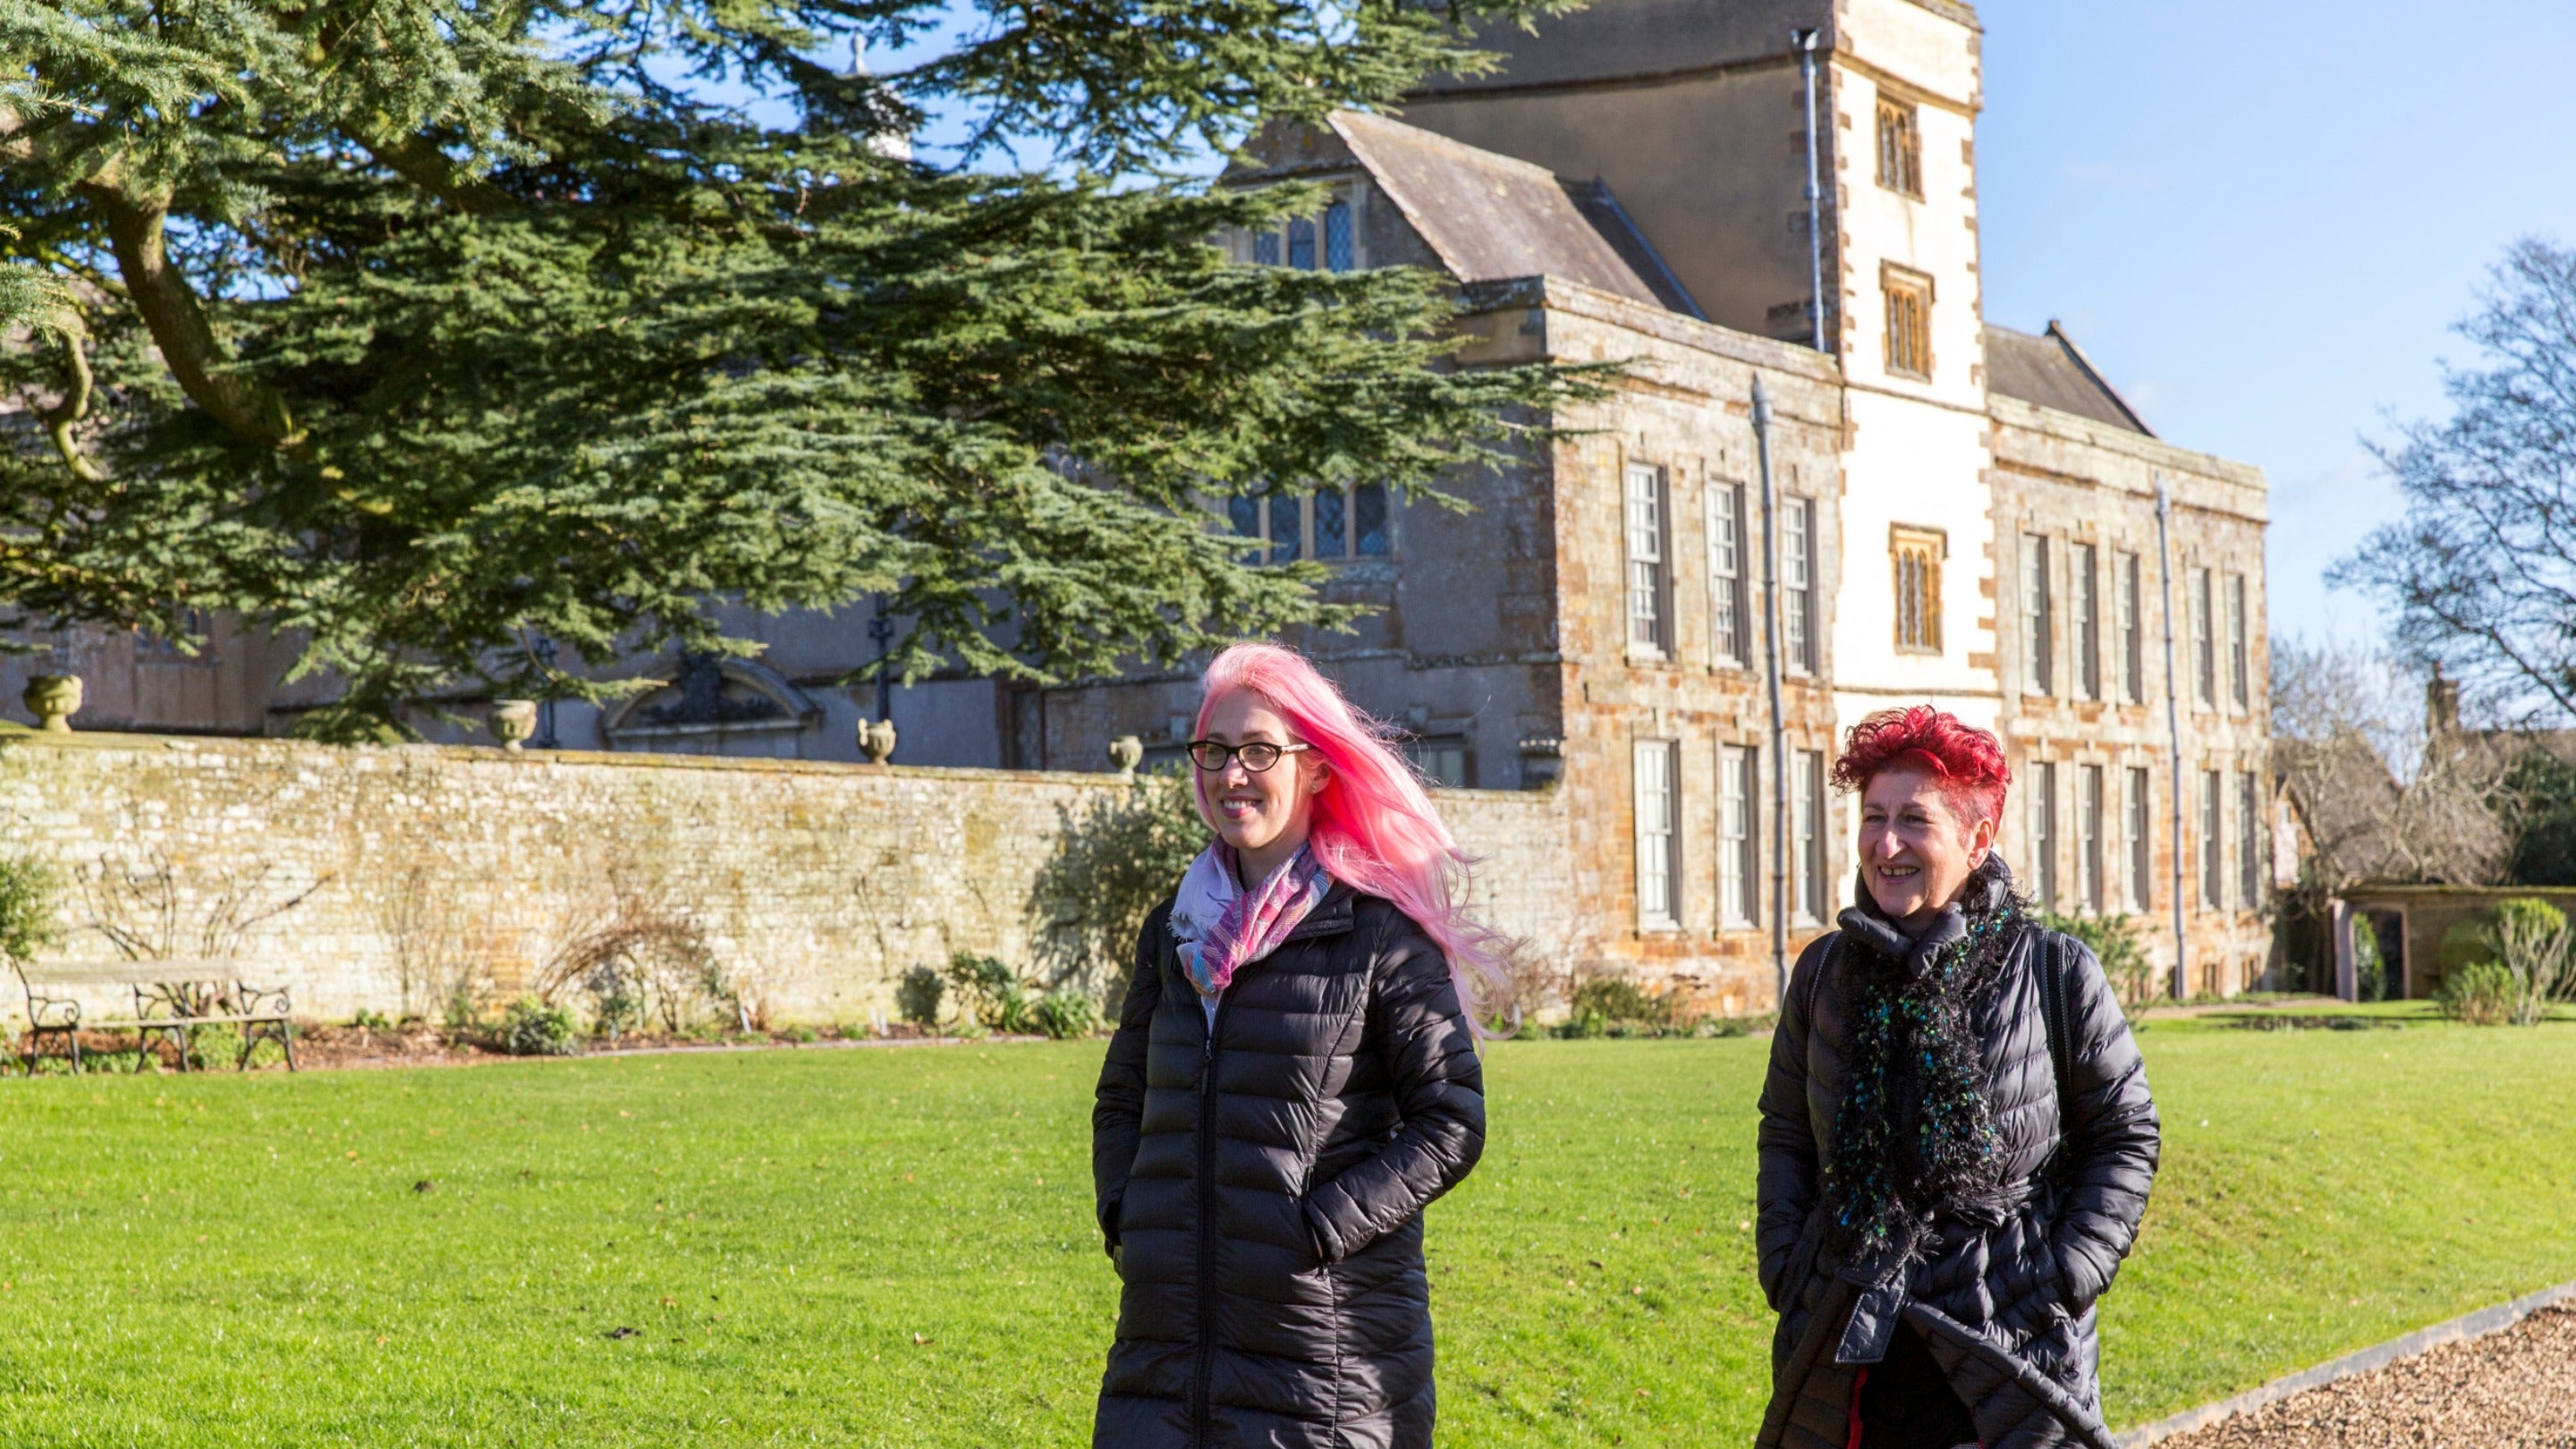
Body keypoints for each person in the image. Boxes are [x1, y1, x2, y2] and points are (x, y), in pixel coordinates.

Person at [1090, 641, 1496, 1449]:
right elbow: (1123, 1095)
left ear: (1314, 767)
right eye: (1215, 750)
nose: (1231, 772)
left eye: (1259, 751)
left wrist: (1317, 1230)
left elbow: (1451, 1119)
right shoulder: (1174, 927)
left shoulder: (1379, 934)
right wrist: (1126, 1214)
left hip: (1324, 1358)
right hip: (1165, 1351)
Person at [1755, 708, 2160, 1449]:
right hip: (1850, 1344)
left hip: (2008, 1341)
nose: (1886, 843)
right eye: (1873, 817)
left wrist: (2062, 1275)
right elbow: (1784, 1130)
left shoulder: (2054, 969)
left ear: (1978, 839)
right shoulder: (1823, 974)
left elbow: (2124, 1134)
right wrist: (1787, 1263)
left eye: (1914, 820)